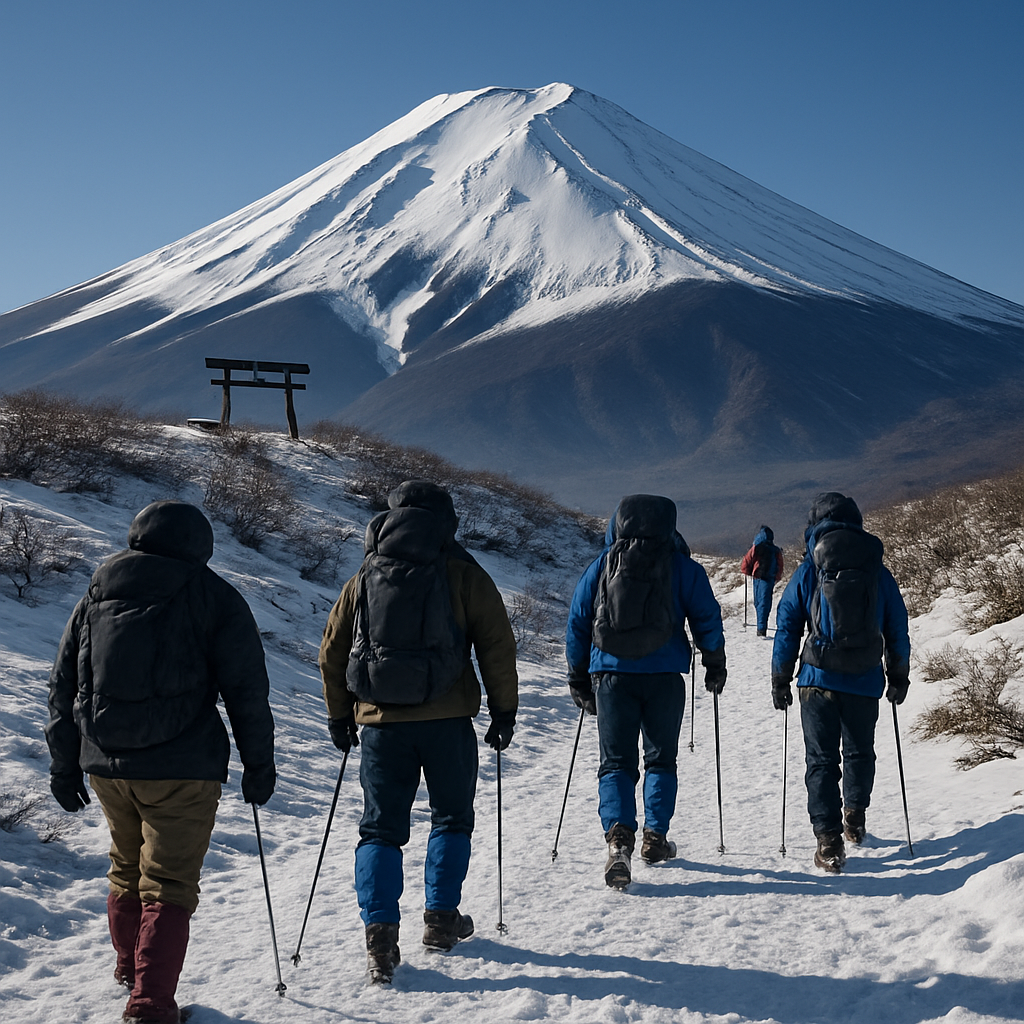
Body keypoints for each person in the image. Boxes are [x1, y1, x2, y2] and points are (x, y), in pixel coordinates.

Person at [46, 500, 276, 1024]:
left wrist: (65, 762)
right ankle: (150, 1005)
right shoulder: (214, 595)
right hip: (182, 768)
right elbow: (245, 691)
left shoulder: (97, 592)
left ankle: (130, 969)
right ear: (200, 545)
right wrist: (258, 764)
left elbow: (64, 683)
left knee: (126, 868)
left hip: (105, 763)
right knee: (169, 883)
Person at [319, 480, 518, 985]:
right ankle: (440, 920)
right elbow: (496, 645)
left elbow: (333, 648)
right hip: (448, 720)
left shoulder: (367, 572)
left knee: (380, 829)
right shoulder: (464, 572)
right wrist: (503, 712)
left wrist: (340, 715)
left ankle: (380, 935)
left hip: (381, 724)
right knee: (451, 818)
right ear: (446, 521)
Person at [564, 493, 726, 889]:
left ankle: (619, 837)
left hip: (611, 678)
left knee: (616, 763)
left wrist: (577, 677)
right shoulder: (682, 567)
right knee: (660, 760)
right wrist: (714, 663)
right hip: (665, 677)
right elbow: (707, 616)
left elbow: (578, 621)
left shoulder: (602, 566)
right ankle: (655, 835)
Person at [770, 491, 910, 873]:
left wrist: (781, 677)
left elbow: (787, 626)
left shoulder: (810, 569)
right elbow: (897, 627)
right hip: (864, 680)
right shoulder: (877, 572)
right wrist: (898, 675)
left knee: (821, 760)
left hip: (817, 679)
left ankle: (828, 840)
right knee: (859, 753)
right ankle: (855, 817)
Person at [740, 525, 784, 637]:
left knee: (759, 602)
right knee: (764, 603)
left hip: (758, 577)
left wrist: (746, 571)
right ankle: (761, 627)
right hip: (769, 578)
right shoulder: (775, 550)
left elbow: (747, 559)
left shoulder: (756, 547)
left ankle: (761, 628)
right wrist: (777, 577)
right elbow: (780, 564)